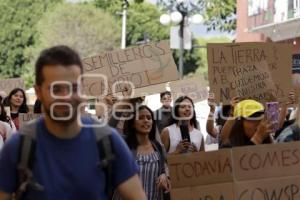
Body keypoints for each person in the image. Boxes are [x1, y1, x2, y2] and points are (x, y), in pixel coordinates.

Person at [0, 45, 146, 200]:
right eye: (56, 89)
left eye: (73, 87)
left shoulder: (108, 142)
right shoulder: (19, 146)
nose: (66, 96)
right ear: (38, 92)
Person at [122, 105, 170, 200]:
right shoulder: (124, 146)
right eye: (141, 118)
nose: (146, 120)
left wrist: (165, 175)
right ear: (133, 123)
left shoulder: (158, 147)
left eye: (149, 118)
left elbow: (165, 166)